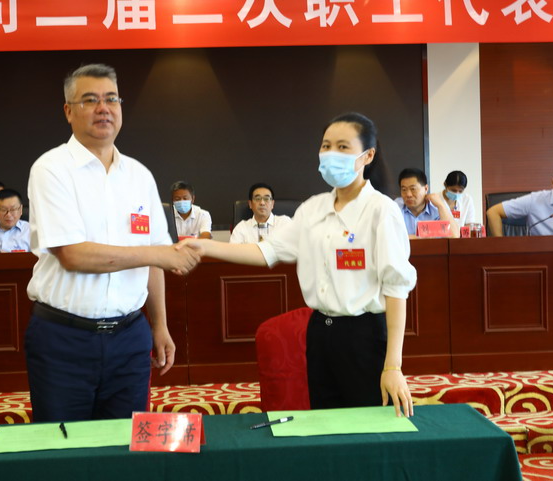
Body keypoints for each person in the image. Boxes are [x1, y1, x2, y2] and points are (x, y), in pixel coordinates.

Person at [179, 112, 416, 417]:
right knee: (326, 425)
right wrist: (204, 246)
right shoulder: (312, 208)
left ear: (367, 155)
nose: (331, 153)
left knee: (370, 427)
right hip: (320, 333)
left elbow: (396, 289)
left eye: (343, 147)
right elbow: (267, 251)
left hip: (364, 336)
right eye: (326, 146)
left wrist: (393, 366)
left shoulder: (381, 210)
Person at [25, 63, 200, 423]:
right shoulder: (51, 169)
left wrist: (159, 324)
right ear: (68, 111)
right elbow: (73, 255)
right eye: (90, 100)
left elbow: (155, 261)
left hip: (130, 337)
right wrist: (157, 254)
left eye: (111, 99)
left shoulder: (139, 175)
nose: (103, 108)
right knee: (63, 444)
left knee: (126, 442)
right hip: (65, 338)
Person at [395, 168, 460, 238]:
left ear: (426, 188)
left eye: (413, 189)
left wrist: (441, 206)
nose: (408, 194)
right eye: (404, 189)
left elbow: (454, 236)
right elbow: (390, 237)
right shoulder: (396, 207)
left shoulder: (438, 206)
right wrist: (421, 238)